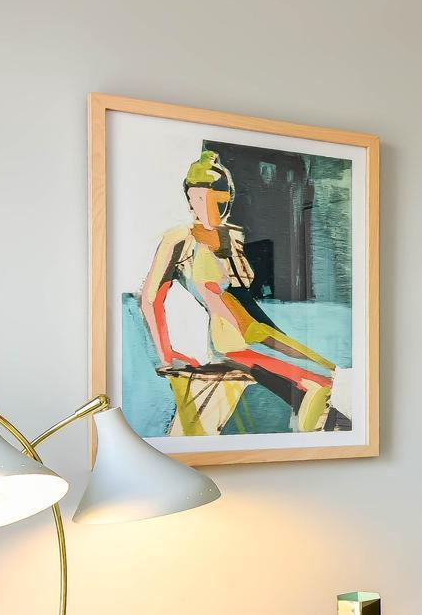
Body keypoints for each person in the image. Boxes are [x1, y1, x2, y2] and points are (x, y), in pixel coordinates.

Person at [138, 151, 348, 433]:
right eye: (200, 198)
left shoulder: (231, 236)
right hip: (231, 341)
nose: (210, 207)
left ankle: (323, 440)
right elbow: (151, 299)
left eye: (218, 199)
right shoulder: (179, 240)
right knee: (317, 384)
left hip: (259, 331)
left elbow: (243, 294)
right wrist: (166, 354)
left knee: (330, 373)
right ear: (189, 199)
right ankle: (309, 445)